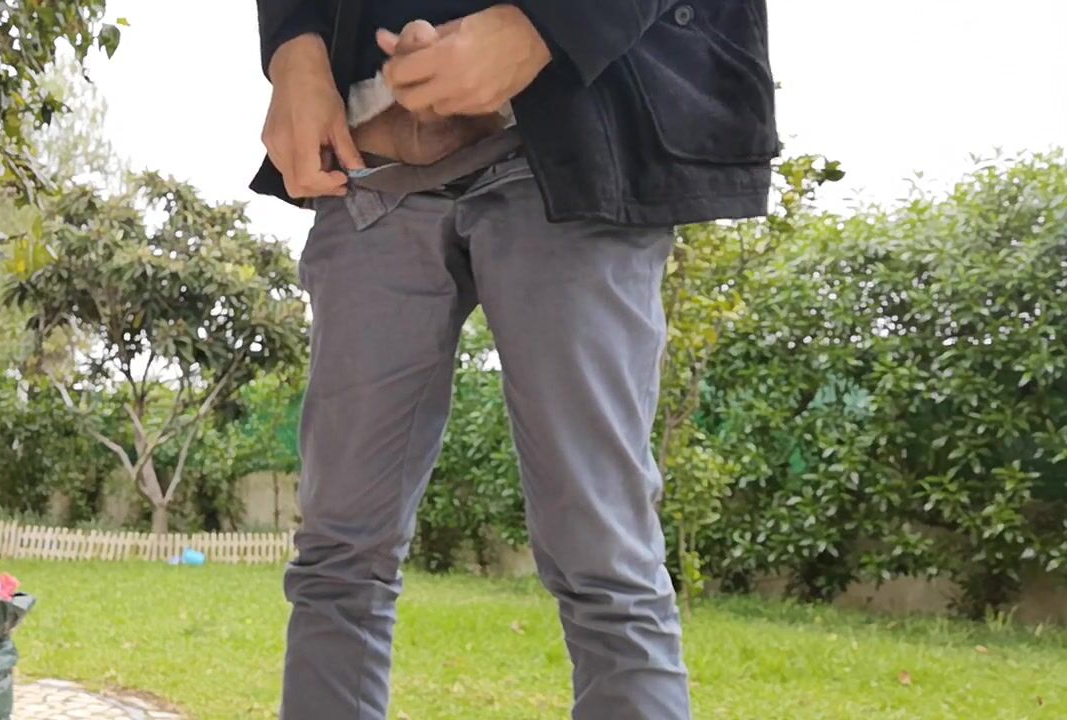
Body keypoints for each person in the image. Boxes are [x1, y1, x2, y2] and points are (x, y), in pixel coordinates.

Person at [251, 2, 778, 718]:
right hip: (368, 156)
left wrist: (546, 25)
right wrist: (294, 51)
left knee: (605, 562)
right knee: (336, 559)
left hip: (581, 132)